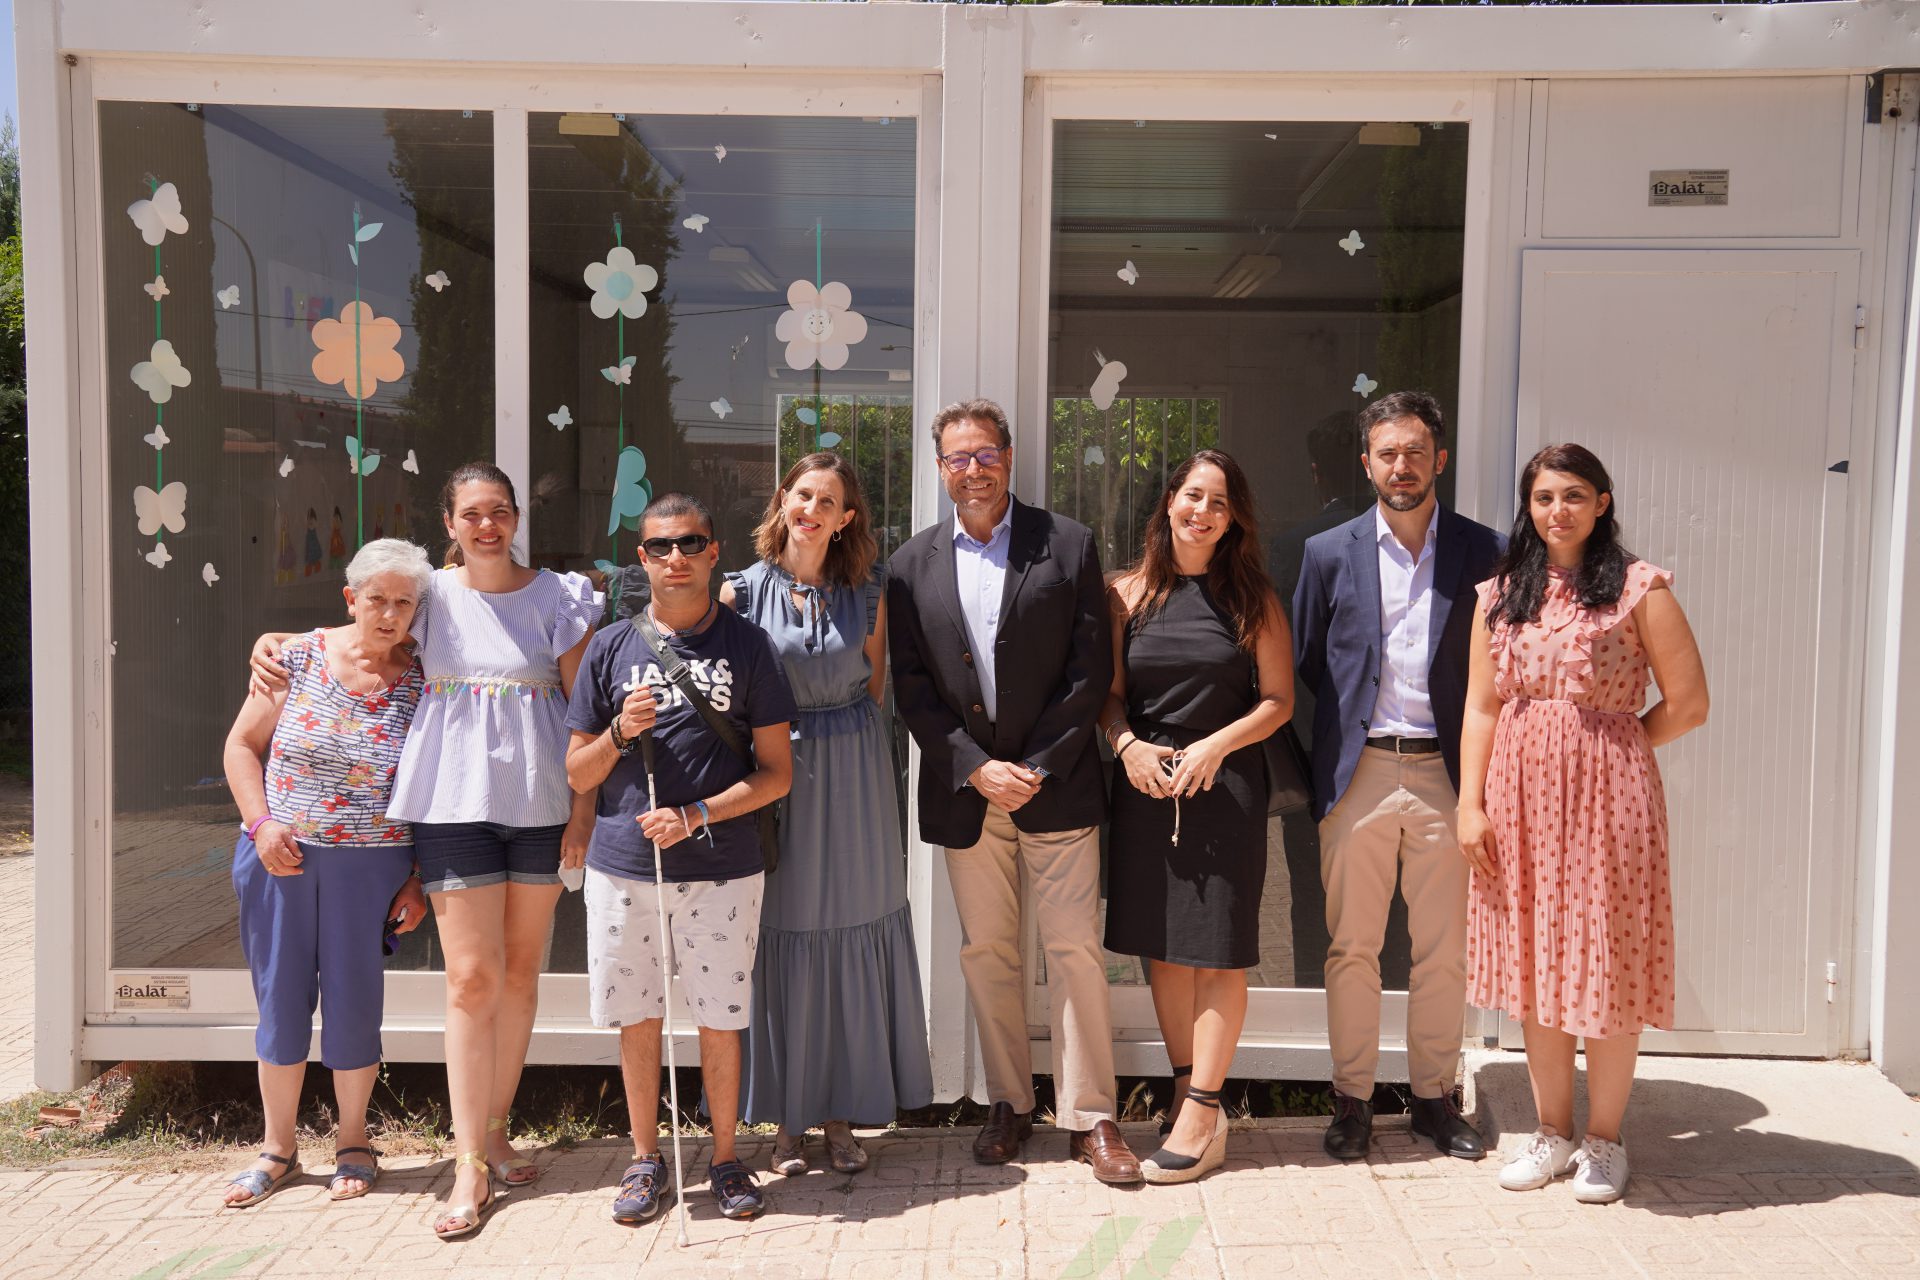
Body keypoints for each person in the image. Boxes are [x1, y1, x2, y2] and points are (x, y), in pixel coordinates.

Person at [251, 462, 601, 1240]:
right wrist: (276, 642)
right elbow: (357, 623)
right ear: (449, 523)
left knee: (519, 977)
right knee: (471, 981)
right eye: (472, 513)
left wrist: (584, 815)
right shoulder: (430, 596)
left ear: (516, 517)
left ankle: (500, 1127)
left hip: (542, 805)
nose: (488, 525)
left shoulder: (560, 598)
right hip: (451, 807)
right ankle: (469, 1161)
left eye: (500, 511)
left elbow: (583, 714)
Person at [887, 398, 1140, 1185]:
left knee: (1072, 952)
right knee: (988, 952)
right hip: (969, 794)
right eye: (957, 458)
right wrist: (974, 765)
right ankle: (1009, 1101)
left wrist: (1034, 764)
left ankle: (1092, 1116)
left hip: (1053, 786)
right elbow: (913, 687)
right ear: (940, 469)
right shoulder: (909, 564)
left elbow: (1088, 670)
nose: (973, 469)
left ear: (1009, 456)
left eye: (985, 454)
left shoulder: (1066, 545)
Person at [1458, 443, 1707, 1204]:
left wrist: (1611, 747)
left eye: (1573, 495)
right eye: (1542, 498)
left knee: (1605, 960)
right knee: (1536, 962)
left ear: (1602, 502)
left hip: (1608, 800)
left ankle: (1605, 1141)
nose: (1556, 510)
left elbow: (1688, 702)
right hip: (1518, 800)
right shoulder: (1501, 593)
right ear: (1527, 508)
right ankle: (1551, 1132)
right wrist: (1470, 803)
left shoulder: (1640, 589)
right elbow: (1482, 706)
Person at [565, 491, 797, 1224]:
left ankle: (726, 1160)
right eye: (661, 546)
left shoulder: (748, 645)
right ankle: (644, 1159)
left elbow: (777, 774)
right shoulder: (609, 647)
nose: (676, 558)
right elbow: (577, 773)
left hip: (723, 866)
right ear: (642, 559)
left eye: (690, 544)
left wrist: (696, 813)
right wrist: (619, 736)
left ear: (713, 552)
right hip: (624, 866)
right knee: (639, 1018)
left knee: (720, 1018)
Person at [1293, 390, 1504, 1162]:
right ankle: (1351, 1100)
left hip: (1451, 774)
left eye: (1416, 451)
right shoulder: (1327, 553)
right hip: (1363, 771)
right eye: (1388, 452)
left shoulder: (1488, 554)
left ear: (1440, 459)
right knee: (1351, 946)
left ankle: (1432, 1099)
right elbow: (1313, 661)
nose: (1402, 465)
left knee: (1443, 950)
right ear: (1367, 463)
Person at [719, 452, 933, 1176]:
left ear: (846, 520)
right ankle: (789, 1118)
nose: (811, 508)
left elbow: (874, 687)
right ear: (783, 502)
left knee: (854, 921)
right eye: (802, 494)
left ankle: (842, 1113)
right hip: (779, 779)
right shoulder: (739, 595)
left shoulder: (870, 594)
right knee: (784, 927)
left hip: (857, 774)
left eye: (827, 500)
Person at [219, 538, 433, 1208]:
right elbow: (241, 746)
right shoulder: (296, 657)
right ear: (351, 599)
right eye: (377, 600)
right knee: (280, 1000)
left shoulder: (426, 679)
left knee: (353, 1003)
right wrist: (261, 824)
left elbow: (437, 787)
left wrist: (419, 877)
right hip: (281, 857)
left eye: (404, 602)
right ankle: (277, 1148)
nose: (390, 614)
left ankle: (353, 1142)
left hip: (373, 868)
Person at [1099, 450, 1293, 1184]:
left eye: (1218, 501)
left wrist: (1216, 744)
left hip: (1226, 788)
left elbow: (1278, 701)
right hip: (1147, 788)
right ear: (1168, 503)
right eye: (1191, 496)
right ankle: (1186, 1089)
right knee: (1163, 947)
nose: (1202, 511)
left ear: (1234, 516)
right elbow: (1110, 697)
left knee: (1216, 950)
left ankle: (1207, 1108)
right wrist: (1127, 748)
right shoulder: (1127, 593)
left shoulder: (1254, 600)